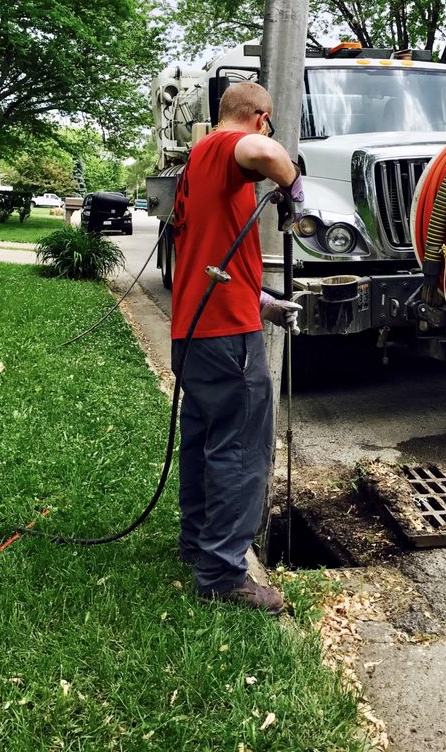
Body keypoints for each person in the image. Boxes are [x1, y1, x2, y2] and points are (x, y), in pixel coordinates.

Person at [171, 80, 304, 615]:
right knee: (242, 449)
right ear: (259, 116)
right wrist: (294, 190)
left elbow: (213, 253)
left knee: (206, 443)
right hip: (226, 338)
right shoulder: (230, 145)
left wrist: (263, 300)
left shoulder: (197, 160)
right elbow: (265, 153)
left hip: (196, 332)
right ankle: (223, 574)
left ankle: (196, 547)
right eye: (266, 123)